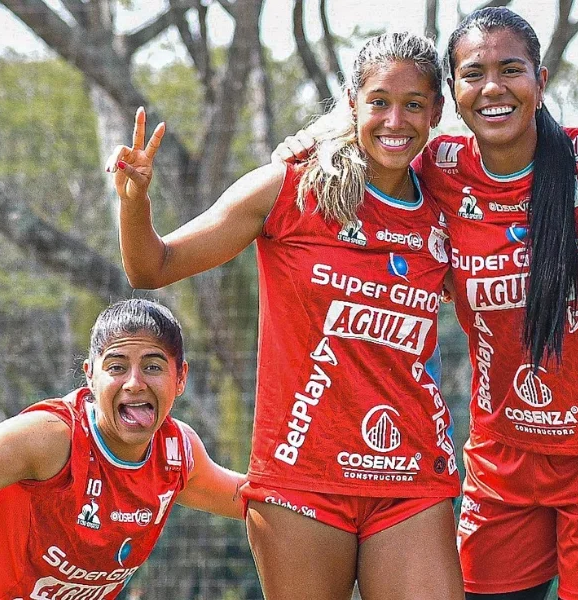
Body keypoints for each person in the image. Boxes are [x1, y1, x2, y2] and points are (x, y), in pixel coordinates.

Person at [273, 9, 578, 599]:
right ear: (452, 97)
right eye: (473, 74)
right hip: (501, 465)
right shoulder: (437, 171)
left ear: (540, 80)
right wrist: (317, 138)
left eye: (510, 70)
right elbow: (375, 135)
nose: (493, 87)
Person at [108, 32, 464, 600]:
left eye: (413, 105)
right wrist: (135, 200)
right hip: (302, 477)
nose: (394, 120)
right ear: (352, 103)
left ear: (436, 113)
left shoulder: (446, 208)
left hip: (412, 474)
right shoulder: (289, 188)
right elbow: (152, 266)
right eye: (378, 102)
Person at [0, 299, 244, 600]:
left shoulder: (177, 455)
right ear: (90, 376)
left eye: (153, 366)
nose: (134, 382)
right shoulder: (52, 436)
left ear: (180, 378)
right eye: (117, 366)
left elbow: (256, 500)